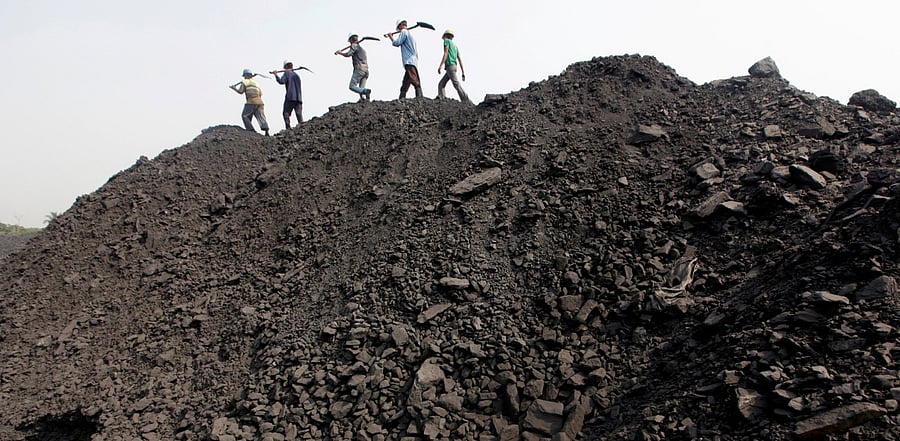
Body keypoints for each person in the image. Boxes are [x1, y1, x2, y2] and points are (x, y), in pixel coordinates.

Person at [385, 19, 422, 99]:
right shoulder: (409, 35)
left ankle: (420, 97)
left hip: (409, 61)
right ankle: (402, 97)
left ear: (400, 26)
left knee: (414, 79)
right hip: (412, 61)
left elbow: (397, 43)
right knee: (406, 81)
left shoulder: (404, 32)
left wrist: (391, 37)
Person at [229, 68, 270, 136]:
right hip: (260, 102)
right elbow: (260, 94)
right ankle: (266, 131)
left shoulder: (244, 82)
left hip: (251, 101)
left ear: (245, 75)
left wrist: (234, 88)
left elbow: (241, 91)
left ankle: (251, 130)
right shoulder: (256, 83)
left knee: (245, 116)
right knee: (261, 117)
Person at [437, 29, 472, 104]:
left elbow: (445, 53)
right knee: (441, 84)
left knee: (456, 84)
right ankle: (442, 99)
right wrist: (463, 71)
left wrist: (440, 65)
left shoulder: (446, 41)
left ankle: (466, 100)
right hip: (454, 67)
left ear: (445, 36)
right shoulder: (455, 46)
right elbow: (459, 59)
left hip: (450, 66)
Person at [334, 34, 372, 102]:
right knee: (361, 88)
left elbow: (348, 54)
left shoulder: (354, 45)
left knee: (352, 86)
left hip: (359, 69)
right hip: (366, 71)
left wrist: (340, 53)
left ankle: (365, 91)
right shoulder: (362, 50)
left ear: (351, 40)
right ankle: (364, 99)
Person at [271, 61, 303, 129]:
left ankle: (288, 128)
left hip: (290, 97)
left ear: (285, 67)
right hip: (298, 98)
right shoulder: (297, 75)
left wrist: (276, 75)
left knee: (286, 113)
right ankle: (302, 127)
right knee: (299, 114)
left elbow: (281, 81)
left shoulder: (287, 73)